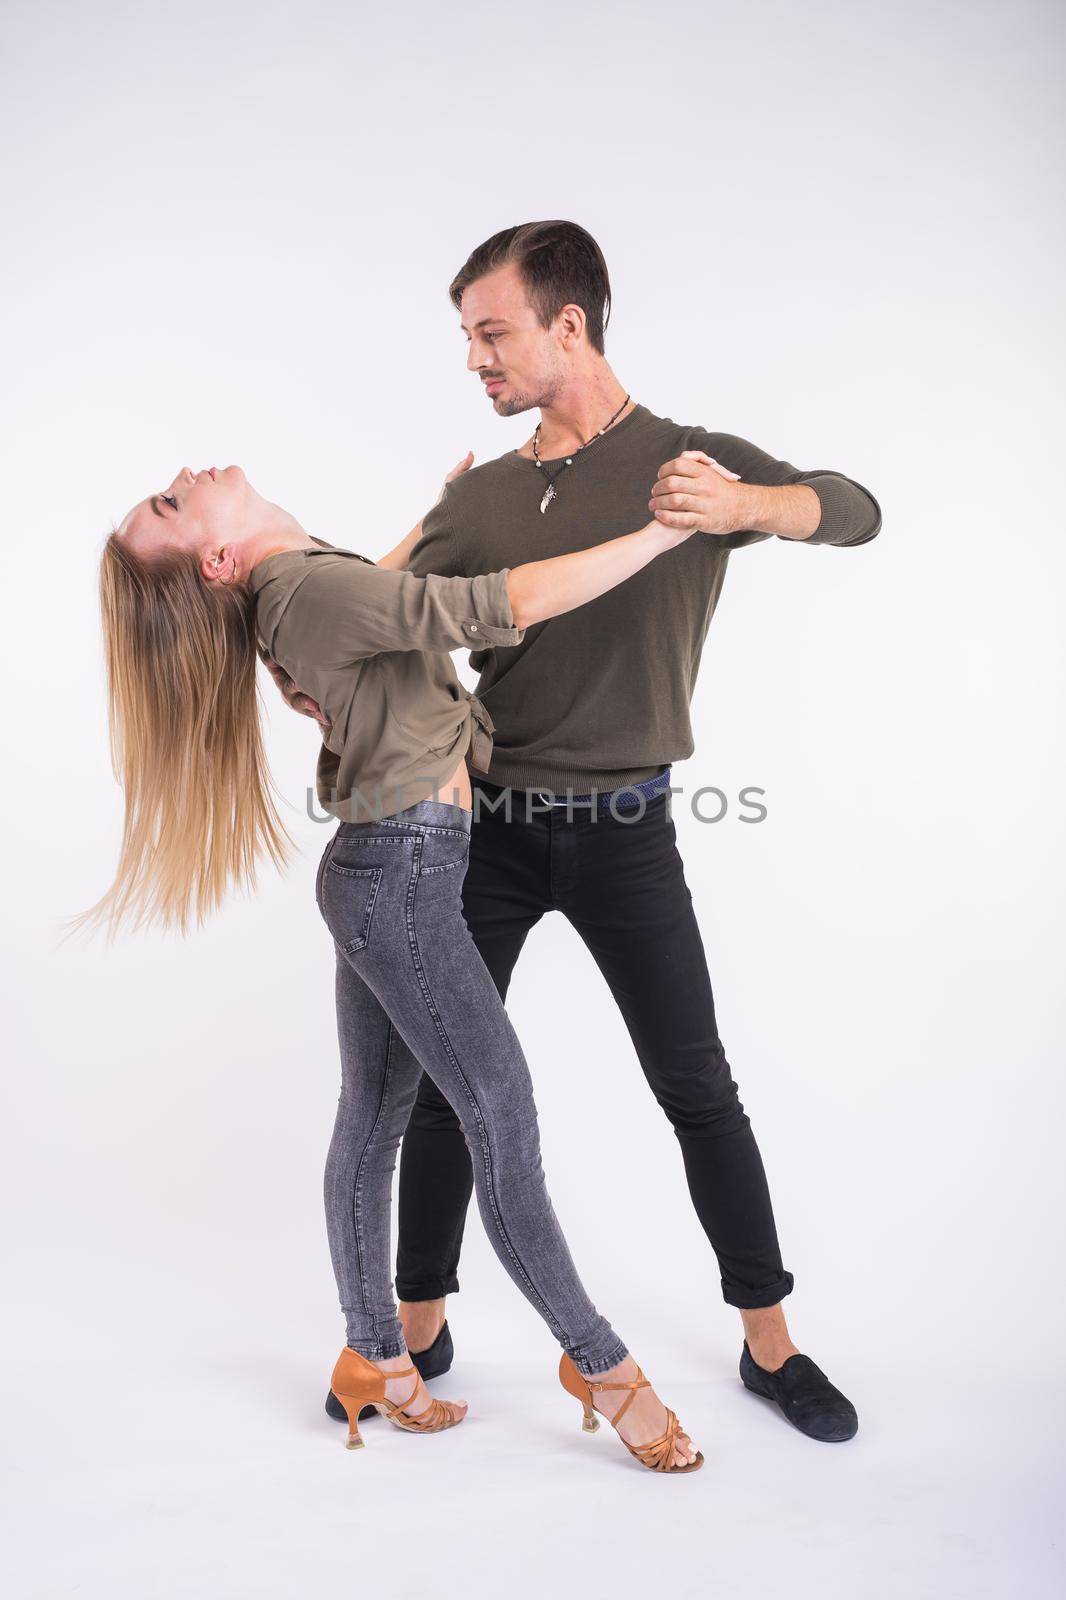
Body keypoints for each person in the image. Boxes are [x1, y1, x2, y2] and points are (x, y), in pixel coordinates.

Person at [270, 221, 878, 1444]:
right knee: (447, 1087)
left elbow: (854, 511)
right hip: (476, 828)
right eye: (466, 338)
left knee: (696, 1084)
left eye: (491, 333)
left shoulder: (687, 465)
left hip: (628, 831)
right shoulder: (486, 493)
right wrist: (308, 661)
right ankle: (417, 1326)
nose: (474, 360)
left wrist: (748, 501)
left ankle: (771, 1343)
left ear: (569, 325)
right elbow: (378, 600)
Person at [79, 458, 722, 1473]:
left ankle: (374, 1358)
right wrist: (663, 535)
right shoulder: (306, 590)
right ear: (213, 558)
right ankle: (598, 1365)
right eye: (167, 501)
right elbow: (501, 603)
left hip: (383, 874)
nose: (178, 476)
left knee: (375, 1120)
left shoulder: (297, 585)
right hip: (401, 883)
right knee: (499, 1115)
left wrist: (428, 519)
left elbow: (374, 606)